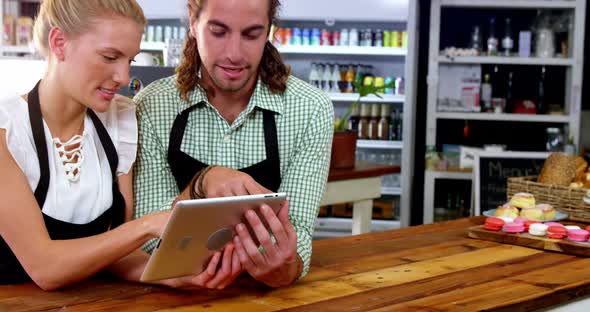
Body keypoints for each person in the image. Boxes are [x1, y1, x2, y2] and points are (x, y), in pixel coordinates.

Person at [0, 0, 239, 290]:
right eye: (110, 57)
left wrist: (173, 275)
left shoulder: (119, 122)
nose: (124, 78)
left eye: (130, 60)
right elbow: (45, 267)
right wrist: (147, 225)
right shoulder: (8, 132)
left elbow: (113, 254)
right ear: (59, 43)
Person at [133, 0, 333, 288]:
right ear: (193, 22)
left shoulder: (311, 110)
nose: (234, 54)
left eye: (251, 34)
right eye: (218, 31)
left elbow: (298, 233)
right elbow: (148, 238)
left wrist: (287, 267)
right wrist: (202, 183)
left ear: (268, 31)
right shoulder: (151, 107)